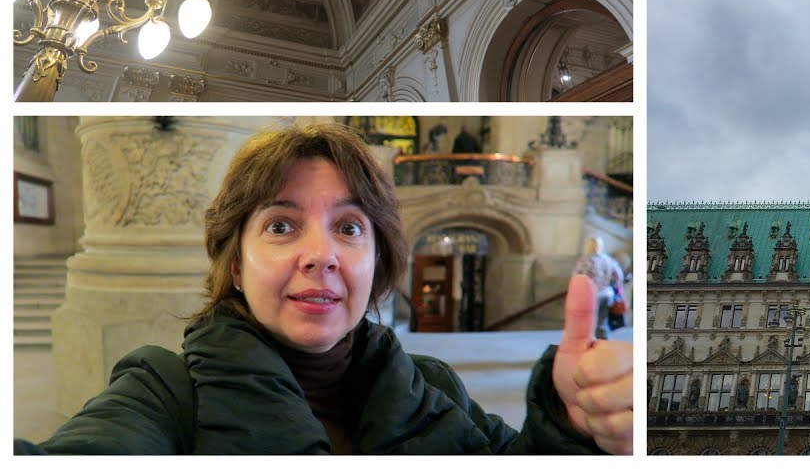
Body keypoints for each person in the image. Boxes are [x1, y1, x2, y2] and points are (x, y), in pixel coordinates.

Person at [16, 124, 632, 455]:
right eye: (281, 225)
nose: (321, 256)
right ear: (235, 264)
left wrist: (571, 434)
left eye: (349, 227)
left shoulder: (432, 385)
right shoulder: (162, 393)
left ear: (377, 261)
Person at [573, 235, 625, 340]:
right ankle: (604, 342)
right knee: (602, 321)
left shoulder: (585, 261)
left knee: (587, 321)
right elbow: (619, 276)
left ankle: (587, 344)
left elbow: (577, 278)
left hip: (591, 295)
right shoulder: (608, 260)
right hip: (607, 294)